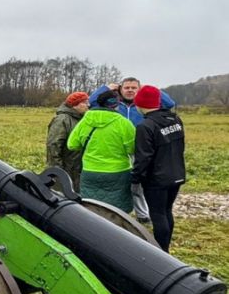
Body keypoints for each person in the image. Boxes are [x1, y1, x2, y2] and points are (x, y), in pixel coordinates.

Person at [91, 77, 177, 223]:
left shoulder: (144, 106)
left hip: (142, 148)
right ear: (120, 90)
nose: (130, 90)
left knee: (140, 183)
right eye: (127, 88)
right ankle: (120, 212)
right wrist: (106, 88)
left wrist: (149, 87)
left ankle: (142, 214)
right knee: (122, 182)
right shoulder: (115, 104)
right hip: (119, 149)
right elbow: (92, 102)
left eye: (134, 88)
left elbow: (170, 104)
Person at [131, 85, 186, 252]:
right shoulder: (175, 120)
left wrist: (135, 177)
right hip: (176, 173)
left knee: (158, 214)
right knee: (167, 211)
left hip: (157, 179)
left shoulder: (146, 126)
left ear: (140, 104)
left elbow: (143, 157)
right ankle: (166, 246)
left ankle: (161, 251)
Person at [67, 89, 136, 212]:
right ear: (117, 104)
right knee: (118, 210)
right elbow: (132, 149)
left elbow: (72, 145)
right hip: (118, 172)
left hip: (90, 170)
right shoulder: (124, 123)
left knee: (91, 209)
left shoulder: (86, 121)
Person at [46, 91, 90, 190]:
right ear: (75, 104)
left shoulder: (83, 119)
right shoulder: (62, 120)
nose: (88, 105)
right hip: (67, 169)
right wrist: (57, 170)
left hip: (78, 169)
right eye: (85, 102)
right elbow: (53, 145)